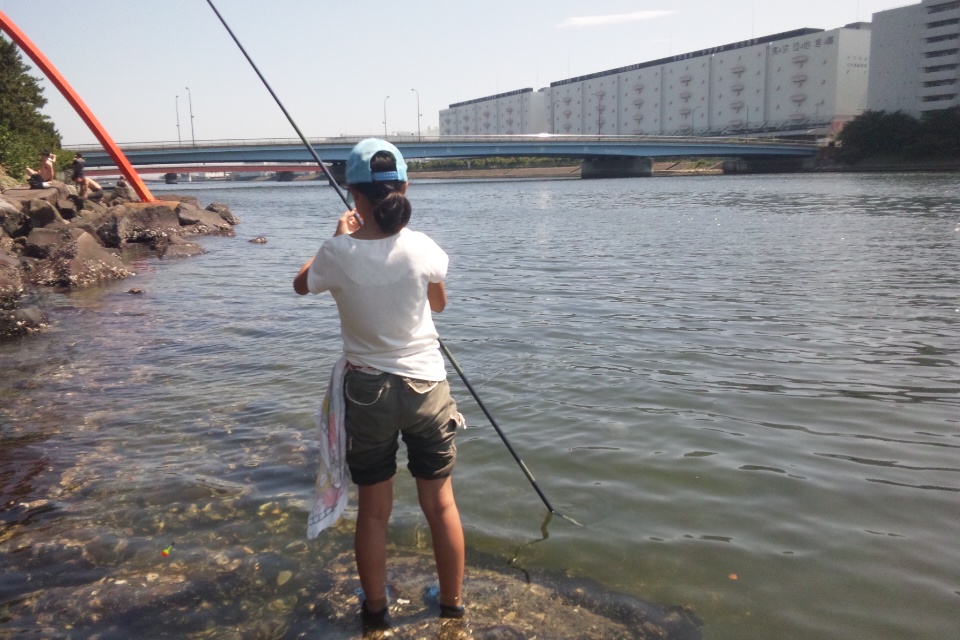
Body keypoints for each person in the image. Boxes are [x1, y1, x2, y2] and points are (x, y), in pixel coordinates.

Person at [294, 139, 466, 630]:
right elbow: (439, 305)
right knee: (441, 503)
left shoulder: (336, 252)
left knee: (374, 512)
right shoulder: (425, 247)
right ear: (405, 187)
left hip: (367, 392)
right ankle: (451, 604)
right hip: (426, 387)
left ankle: (375, 611)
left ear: (353, 194)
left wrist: (337, 236)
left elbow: (300, 284)